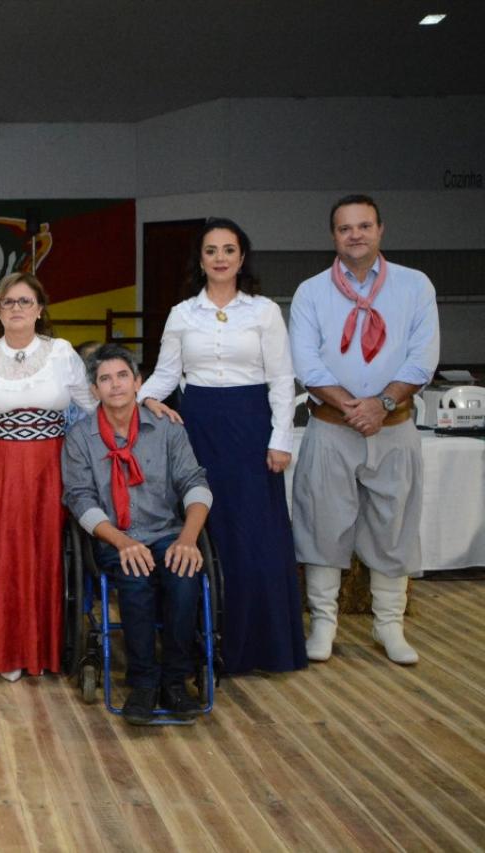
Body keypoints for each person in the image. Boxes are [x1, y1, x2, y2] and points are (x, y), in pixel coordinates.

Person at [138, 218, 307, 675]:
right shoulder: (182, 313)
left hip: (251, 430)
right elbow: (166, 374)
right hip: (198, 429)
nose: (220, 258)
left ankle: (261, 647)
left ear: (241, 257)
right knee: (204, 530)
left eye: (228, 250)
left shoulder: (264, 312)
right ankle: (201, 642)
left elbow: (281, 379)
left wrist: (280, 439)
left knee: (254, 537)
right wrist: (145, 398)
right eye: (211, 250)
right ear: (200, 260)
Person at [289, 195, 439, 665]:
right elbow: (306, 363)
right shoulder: (311, 292)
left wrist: (382, 403)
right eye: (345, 228)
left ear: (380, 230)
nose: (355, 234)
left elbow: (423, 357)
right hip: (331, 427)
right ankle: (324, 624)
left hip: (393, 426)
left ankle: (388, 624)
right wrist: (352, 407)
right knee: (322, 526)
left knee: (395, 527)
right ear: (333, 236)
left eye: (364, 226)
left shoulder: (415, 286)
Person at [0, 273, 95, 680]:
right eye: (8, 302)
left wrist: (137, 413)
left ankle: (36, 650)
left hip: (49, 470)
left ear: (40, 309)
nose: (17, 309)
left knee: (40, 557)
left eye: (25, 301)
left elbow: (91, 408)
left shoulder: (62, 353)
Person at [62, 344, 212, 725]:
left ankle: (175, 681)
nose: (115, 385)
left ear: (138, 382)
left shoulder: (166, 428)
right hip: (113, 537)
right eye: (105, 379)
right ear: (94, 390)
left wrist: (188, 539)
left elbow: (195, 483)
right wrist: (122, 541)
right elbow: (79, 498)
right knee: (134, 574)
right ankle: (143, 682)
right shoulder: (80, 438)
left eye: (122, 376)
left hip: (167, 532)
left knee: (184, 574)